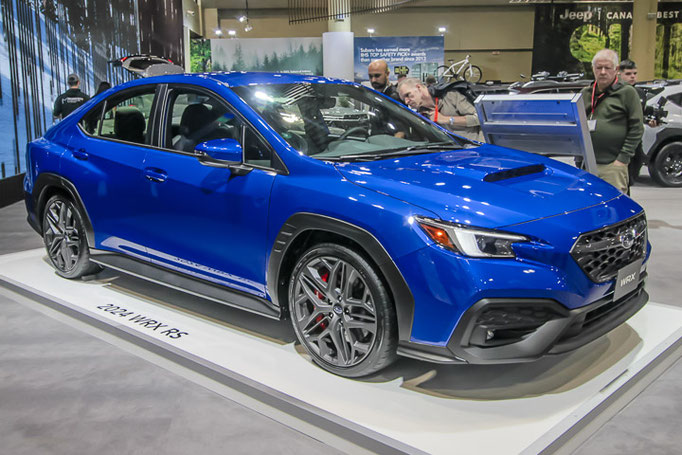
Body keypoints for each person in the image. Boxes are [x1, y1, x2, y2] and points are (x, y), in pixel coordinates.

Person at [579, 49, 643, 193]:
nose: (602, 72)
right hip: (588, 164)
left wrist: (622, 159)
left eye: (607, 68)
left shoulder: (627, 93)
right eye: (598, 68)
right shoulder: (586, 93)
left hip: (613, 164)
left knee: (614, 208)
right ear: (593, 69)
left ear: (616, 69)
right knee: (589, 205)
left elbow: (637, 128)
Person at [397, 77, 484, 142]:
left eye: (407, 95)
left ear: (419, 87)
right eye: (403, 99)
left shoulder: (450, 95)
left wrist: (447, 120)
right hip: (449, 154)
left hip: (474, 149)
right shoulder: (422, 114)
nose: (406, 101)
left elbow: (480, 119)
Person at [619, 59, 652, 184]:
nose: (632, 76)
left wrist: (649, 121)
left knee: (632, 174)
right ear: (619, 74)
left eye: (634, 73)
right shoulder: (616, 92)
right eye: (628, 74)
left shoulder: (640, 93)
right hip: (620, 140)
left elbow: (639, 116)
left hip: (636, 142)